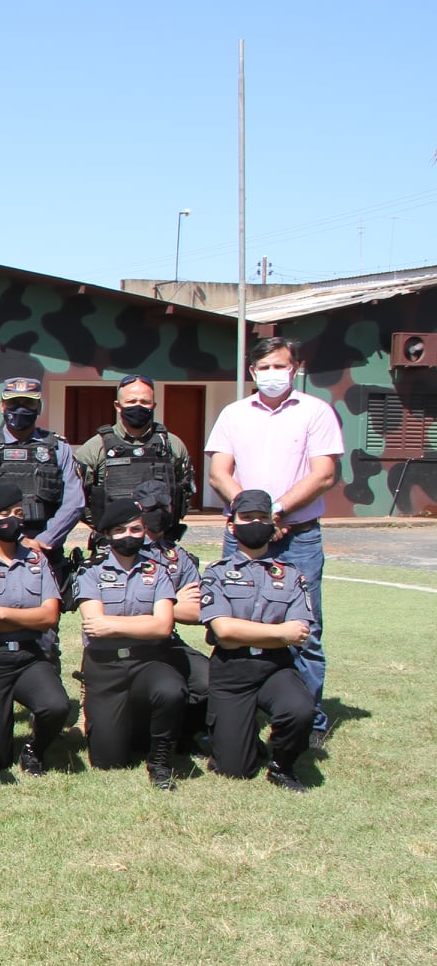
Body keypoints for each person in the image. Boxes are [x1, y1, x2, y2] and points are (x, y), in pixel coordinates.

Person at [205, 336, 345, 747]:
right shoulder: (233, 414)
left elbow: (323, 474)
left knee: (305, 628)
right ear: (252, 372)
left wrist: (277, 511)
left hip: (298, 536)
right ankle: (234, 712)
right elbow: (219, 473)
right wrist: (253, 516)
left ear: (295, 368)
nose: (272, 374)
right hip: (243, 538)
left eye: (279, 366)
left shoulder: (316, 412)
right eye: (263, 367)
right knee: (232, 624)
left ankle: (307, 722)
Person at [198, 490, 317, 790]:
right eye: (246, 518)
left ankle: (283, 765)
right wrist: (279, 633)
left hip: (275, 667)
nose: (255, 523)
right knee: (234, 770)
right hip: (231, 670)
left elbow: (300, 632)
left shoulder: (291, 575)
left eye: (262, 518)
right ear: (231, 525)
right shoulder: (216, 574)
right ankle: (242, 741)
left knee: (300, 709)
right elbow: (223, 631)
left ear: (273, 524)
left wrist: (246, 632)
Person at [0, 483, 70, 776]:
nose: (14, 520)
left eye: (18, 513)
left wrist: (0, 612)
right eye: (5, 514)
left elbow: (50, 615)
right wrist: (26, 615)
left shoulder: (35, 560)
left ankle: (34, 750)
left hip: (30, 656)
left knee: (56, 706)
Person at [74, 500, 186, 788]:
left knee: (171, 690)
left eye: (136, 529)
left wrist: (114, 624)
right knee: (108, 762)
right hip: (105, 666)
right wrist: (144, 623)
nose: (129, 535)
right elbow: (94, 627)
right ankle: (125, 727)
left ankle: (160, 762)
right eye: (120, 530)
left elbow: (163, 626)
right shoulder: (91, 571)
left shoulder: (158, 571)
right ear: (108, 534)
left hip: (148, 660)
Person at [0, 376, 85, 557]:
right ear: (2, 406)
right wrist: (18, 541)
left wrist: (46, 539)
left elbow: (74, 502)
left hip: (46, 549)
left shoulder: (58, 447)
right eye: (14, 402)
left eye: (28, 402)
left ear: (39, 407)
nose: (21, 408)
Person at [75, 373, 197, 549]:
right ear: (118, 406)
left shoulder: (172, 445)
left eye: (144, 402)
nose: (138, 406)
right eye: (131, 402)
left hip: (161, 544)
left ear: (153, 405)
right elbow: (78, 497)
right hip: (112, 545)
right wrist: (105, 527)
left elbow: (183, 493)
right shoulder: (95, 448)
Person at [134, 478, 209, 748]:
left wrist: (158, 608)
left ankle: (184, 735)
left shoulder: (178, 557)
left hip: (166, 640)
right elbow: (118, 605)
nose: (159, 511)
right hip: (122, 643)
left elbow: (199, 611)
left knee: (206, 678)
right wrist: (173, 606)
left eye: (164, 505)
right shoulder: (119, 548)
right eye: (151, 506)